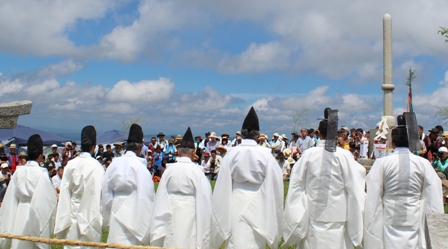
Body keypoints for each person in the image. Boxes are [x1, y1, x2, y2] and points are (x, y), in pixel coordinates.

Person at [283, 108, 366, 249]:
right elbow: (355, 185)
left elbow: (296, 186)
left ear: (318, 133)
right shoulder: (344, 156)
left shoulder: (308, 155)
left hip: (313, 210)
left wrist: (297, 212)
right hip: (337, 212)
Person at [364, 115, 444, 249]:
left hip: (390, 213)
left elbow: (373, 194)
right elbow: (433, 193)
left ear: (392, 141)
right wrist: (434, 220)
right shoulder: (422, 163)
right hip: (413, 213)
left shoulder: (382, 163)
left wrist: (373, 221)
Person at [211, 107, 283, 248]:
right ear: (258, 136)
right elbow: (276, 183)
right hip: (259, 200)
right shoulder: (266, 155)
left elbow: (222, 184)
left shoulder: (232, 154)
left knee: (236, 237)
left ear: (241, 135)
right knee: (254, 239)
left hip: (235, 198)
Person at [150, 127, 212, 248]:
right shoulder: (197, 173)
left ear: (178, 152)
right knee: (188, 239)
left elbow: (160, 196)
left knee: (171, 239)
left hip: (170, 210)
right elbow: (206, 199)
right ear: (194, 154)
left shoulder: (169, 171)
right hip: (190, 210)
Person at [0, 134, 57, 249]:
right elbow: (49, 200)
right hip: (37, 212)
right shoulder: (42, 173)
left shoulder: (18, 171)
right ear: (40, 155)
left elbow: (9, 201)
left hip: (20, 212)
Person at [102, 124, 155, 246]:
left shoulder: (114, 164)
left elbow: (106, 193)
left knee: (116, 240)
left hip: (116, 205)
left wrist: (107, 215)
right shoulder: (139, 167)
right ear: (141, 146)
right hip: (134, 209)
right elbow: (146, 196)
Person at [54, 126, 105, 248]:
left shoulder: (71, 164)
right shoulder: (97, 166)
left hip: (73, 212)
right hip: (91, 211)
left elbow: (65, 192)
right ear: (94, 147)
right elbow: (100, 194)